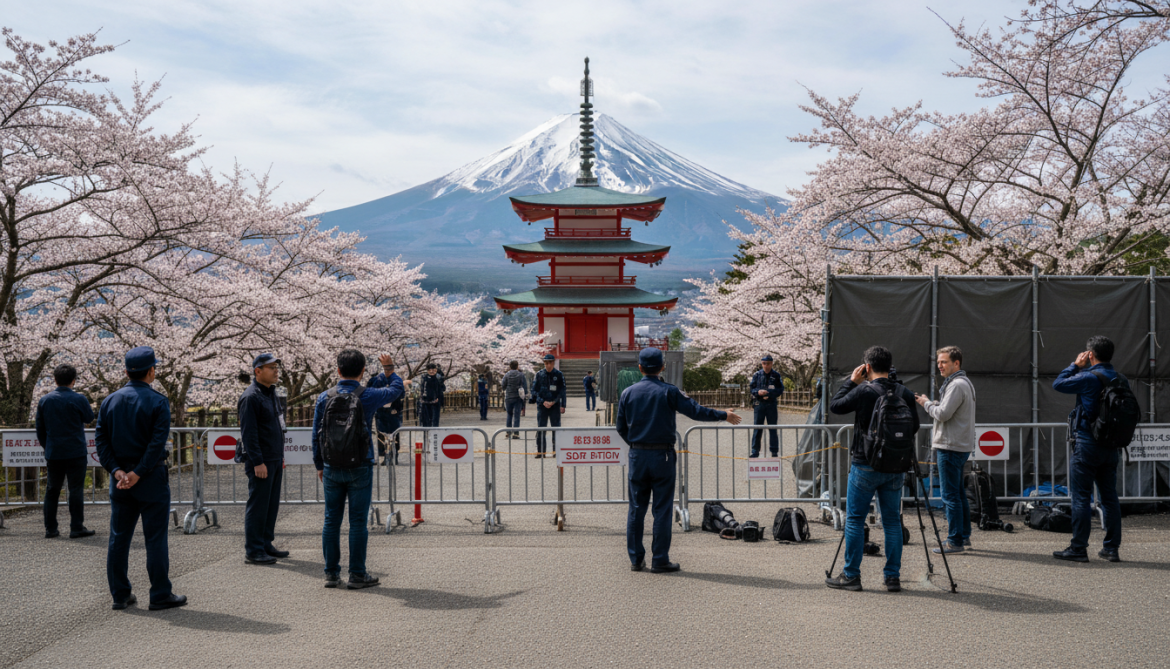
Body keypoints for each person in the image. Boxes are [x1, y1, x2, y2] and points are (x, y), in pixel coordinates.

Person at [618, 347, 741, 573]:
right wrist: (723, 414)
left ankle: (636, 559)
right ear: (662, 367)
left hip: (637, 454)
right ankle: (660, 559)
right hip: (662, 455)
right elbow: (695, 411)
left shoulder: (628, 393)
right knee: (662, 509)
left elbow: (620, 427)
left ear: (640, 368)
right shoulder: (669, 391)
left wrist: (636, 444)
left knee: (636, 509)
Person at [94, 346, 187, 611]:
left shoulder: (109, 401)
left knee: (119, 537)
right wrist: (139, 472)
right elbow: (157, 443)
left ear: (126, 371)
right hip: (150, 477)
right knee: (155, 538)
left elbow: (101, 440)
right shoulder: (158, 402)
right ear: (152, 371)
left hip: (120, 479)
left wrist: (117, 470)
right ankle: (159, 594)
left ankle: (120, 594)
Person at [826, 345, 920, 593]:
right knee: (891, 522)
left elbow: (835, 406)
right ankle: (892, 577)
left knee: (855, 520)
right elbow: (915, 427)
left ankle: (851, 576)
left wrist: (851, 382)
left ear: (867, 367)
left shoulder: (864, 391)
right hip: (895, 467)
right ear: (890, 367)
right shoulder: (905, 392)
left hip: (864, 464)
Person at [312, 350, 404, 589]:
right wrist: (389, 369)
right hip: (361, 463)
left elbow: (316, 435)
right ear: (363, 371)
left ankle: (331, 574)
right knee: (357, 521)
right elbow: (396, 389)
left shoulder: (324, 397)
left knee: (331, 520)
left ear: (338, 370)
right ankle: (357, 574)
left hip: (332, 464)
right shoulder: (368, 395)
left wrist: (320, 464)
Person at [1051, 336, 1124, 563]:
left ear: (1090, 355)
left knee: (1081, 497)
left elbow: (1059, 384)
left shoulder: (1088, 377)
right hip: (1111, 445)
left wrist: (1075, 365)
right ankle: (1111, 549)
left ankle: (1078, 548)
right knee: (1109, 497)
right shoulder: (1121, 380)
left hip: (1086, 443)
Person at [915, 346, 977, 554]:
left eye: (944, 362)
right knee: (958, 494)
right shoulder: (963, 383)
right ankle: (963, 536)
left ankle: (954, 541)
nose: (939, 366)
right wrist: (932, 403)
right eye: (938, 362)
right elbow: (947, 410)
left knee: (950, 496)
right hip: (959, 445)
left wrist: (925, 404)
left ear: (956, 363)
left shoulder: (956, 385)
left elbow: (942, 414)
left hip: (950, 446)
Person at [238, 353, 288, 565]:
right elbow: (249, 434)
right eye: (271, 367)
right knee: (258, 505)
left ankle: (266, 542)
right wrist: (257, 461)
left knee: (271, 504)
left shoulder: (271, 394)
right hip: (261, 460)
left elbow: (278, 425)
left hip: (275, 457)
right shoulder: (251, 397)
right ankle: (254, 549)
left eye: (277, 367)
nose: (276, 370)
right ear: (257, 371)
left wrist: (281, 456)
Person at [36, 363, 96, 539]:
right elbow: (89, 417)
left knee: (52, 489)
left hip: (54, 451)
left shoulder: (45, 400)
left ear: (55, 379)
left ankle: (51, 529)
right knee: (75, 489)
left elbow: (39, 428)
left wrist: (47, 446)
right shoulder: (79, 399)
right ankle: (76, 527)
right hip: (76, 450)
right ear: (74, 380)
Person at [369, 359, 408, 465]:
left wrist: (396, 408)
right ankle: (385, 455)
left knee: (394, 434)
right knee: (381, 434)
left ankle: (394, 455)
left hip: (394, 412)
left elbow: (401, 395)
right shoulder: (376, 380)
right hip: (381, 411)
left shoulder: (396, 380)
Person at [530, 354, 566, 458]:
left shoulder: (559, 374)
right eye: (546, 363)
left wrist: (561, 404)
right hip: (542, 405)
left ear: (553, 363)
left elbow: (562, 390)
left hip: (554, 405)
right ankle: (541, 451)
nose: (548, 365)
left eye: (550, 363)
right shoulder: (539, 374)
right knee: (541, 428)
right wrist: (542, 401)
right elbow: (534, 390)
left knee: (556, 428)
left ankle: (556, 450)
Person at [749, 355, 785, 457]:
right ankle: (755, 450)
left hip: (771, 404)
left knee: (772, 427)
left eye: (768, 363)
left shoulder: (776, 375)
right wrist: (758, 392)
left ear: (772, 363)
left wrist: (769, 393)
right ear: (761, 364)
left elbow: (780, 389)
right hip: (759, 404)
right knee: (757, 427)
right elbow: (752, 388)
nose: (766, 366)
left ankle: (774, 451)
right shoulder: (757, 375)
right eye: (764, 363)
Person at [502, 360, 528, 439]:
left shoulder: (507, 375)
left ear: (510, 366)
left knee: (509, 414)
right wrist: (525, 394)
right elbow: (525, 386)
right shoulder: (521, 375)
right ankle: (516, 433)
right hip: (517, 397)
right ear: (517, 366)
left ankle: (508, 432)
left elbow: (503, 385)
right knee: (517, 415)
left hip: (509, 397)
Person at [417, 363, 444, 428]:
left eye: (433, 370)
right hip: (425, 402)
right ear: (427, 370)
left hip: (435, 402)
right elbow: (422, 389)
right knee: (425, 422)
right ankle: (426, 436)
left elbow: (442, 389)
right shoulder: (424, 377)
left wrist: (439, 399)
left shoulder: (438, 378)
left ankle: (434, 435)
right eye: (429, 370)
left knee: (434, 422)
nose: (431, 371)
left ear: (436, 370)